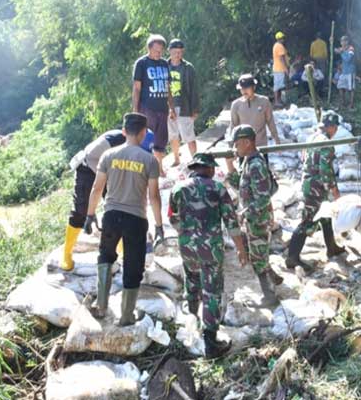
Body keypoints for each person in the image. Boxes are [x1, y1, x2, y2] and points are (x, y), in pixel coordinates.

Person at [84, 113, 164, 325]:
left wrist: (90, 215)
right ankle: (126, 316)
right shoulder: (150, 160)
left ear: (123, 132)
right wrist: (159, 226)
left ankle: (101, 306)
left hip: (111, 216)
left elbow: (97, 188)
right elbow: (154, 197)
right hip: (136, 219)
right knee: (133, 265)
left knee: (105, 257)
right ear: (143, 133)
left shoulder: (108, 155)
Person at [169, 153, 243, 358]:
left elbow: (172, 218)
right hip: (210, 248)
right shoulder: (217, 188)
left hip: (187, 248)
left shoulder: (178, 188)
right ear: (209, 168)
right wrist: (241, 248)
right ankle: (210, 342)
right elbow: (231, 221)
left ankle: (191, 325)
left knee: (192, 284)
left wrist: (186, 234)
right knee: (211, 291)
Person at [60, 129, 154, 271]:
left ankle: (123, 252)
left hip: (113, 172)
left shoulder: (143, 147)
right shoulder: (113, 140)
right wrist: (107, 177)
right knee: (81, 212)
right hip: (89, 169)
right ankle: (66, 255)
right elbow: (91, 157)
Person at [225, 125, 283, 307]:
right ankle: (273, 277)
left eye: (237, 144)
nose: (235, 148)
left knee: (257, 258)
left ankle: (269, 297)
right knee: (256, 253)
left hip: (258, 220)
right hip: (253, 219)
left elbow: (263, 198)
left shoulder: (256, 164)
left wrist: (244, 213)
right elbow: (242, 189)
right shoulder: (248, 162)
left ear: (248, 142)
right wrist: (230, 166)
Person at [286, 113, 345, 272]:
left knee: (325, 217)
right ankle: (292, 257)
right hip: (315, 188)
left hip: (311, 184)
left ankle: (331, 247)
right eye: (335, 128)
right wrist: (335, 190)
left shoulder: (312, 137)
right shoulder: (326, 143)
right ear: (332, 127)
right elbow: (325, 170)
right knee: (307, 221)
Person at [133, 34, 174, 176]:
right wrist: (135, 110)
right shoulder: (142, 63)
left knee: (161, 140)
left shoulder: (164, 64)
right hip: (147, 108)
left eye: (161, 50)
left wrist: (172, 108)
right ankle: (143, 171)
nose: (159, 53)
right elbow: (137, 88)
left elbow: (168, 87)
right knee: (146, 140)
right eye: (156, 50)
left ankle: (159, 168)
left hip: (162, 108)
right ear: (149, 48)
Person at [167, 39, 200, 167]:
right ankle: (176, 158)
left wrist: (195, 109)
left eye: (180, 52)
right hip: (169, 106)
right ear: (169, 51)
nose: (177, 55)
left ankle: (195, 159)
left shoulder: (188, 68)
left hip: (185, 105)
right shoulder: (164, 66)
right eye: (175, 52)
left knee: (189, 134)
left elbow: (194, 89)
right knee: (173, 134)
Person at [229, 73, 280, 152]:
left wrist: (277, 140)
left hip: (261, 146)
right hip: (243, 147)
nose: (244, 91)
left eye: (247, 88)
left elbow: (270, 122)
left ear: (254, 87)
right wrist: (231, 146)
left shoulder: (264, 102)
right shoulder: (236, 105)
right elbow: (233, 126)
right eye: (242, 89)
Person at [334, 35, 356, 108]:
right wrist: (332, 43)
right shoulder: (342, 49)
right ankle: (342, 102)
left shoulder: (351, 49)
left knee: (351, 88)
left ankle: (351, 104)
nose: (342, 42)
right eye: (341, 41)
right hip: (344, 72)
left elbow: (348, 59)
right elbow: (335, 50)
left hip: (350, 71)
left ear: (347, 41)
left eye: (343, 41)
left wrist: (341, 52)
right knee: (340, 86)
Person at [272, 31, 289, 107]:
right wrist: (286, 68)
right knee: (278, 86)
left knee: (279, 85)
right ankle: (276, 101)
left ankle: (279, 101)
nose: (283, 39)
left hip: (278, 69)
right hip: (279, 69)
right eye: (282, 38)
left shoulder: (276, 45)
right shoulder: (279, 46)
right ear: (279, 38)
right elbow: (282, 58)